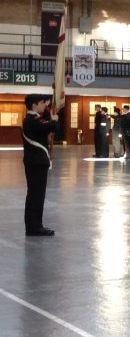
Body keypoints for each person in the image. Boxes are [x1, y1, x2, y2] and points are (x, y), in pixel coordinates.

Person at [22, 93, 58, 237]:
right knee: (36, 195)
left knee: (36, 195)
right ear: (34, 105)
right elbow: (54, 126)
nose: (45, 106)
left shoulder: (35, 119)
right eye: (42, 103)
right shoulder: (31, 120)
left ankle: (35, 225)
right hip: (36, 162)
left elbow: (49, 126)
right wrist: (54, 118)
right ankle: (34, 227)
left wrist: (49, 112)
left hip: (37, 161)